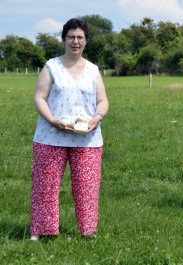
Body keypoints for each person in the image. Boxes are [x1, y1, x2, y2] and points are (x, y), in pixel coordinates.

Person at [30, 18, 109, 241]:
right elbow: (39, 98)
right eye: (71, 37)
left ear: (86, 41)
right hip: (50, 136)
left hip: (87, 139)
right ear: (64, 39)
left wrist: (97, 117)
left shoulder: (93, 70)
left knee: (87, 188)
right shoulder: (51, 66)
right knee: (45, 186)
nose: (75, 41)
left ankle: (87, 232)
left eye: (80, 37)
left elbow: (103, 101)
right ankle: (40, 230)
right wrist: (52, 120)